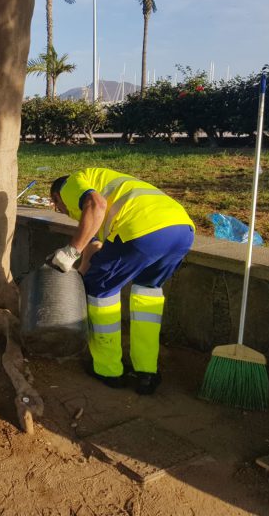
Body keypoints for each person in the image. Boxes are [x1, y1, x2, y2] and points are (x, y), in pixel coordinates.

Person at [49, 168, 195, 395]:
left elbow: (95, 205)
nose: (63, 211)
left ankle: (109, 370)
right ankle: (147, 372)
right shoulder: (113, 191)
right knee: (148, 291)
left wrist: (71, 251)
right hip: (181, 230)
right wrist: (81, 279)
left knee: (101, 295)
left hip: (142, 229)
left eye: (58, 207)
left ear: (56, 197)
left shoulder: (72, 184)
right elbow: (96, 251)